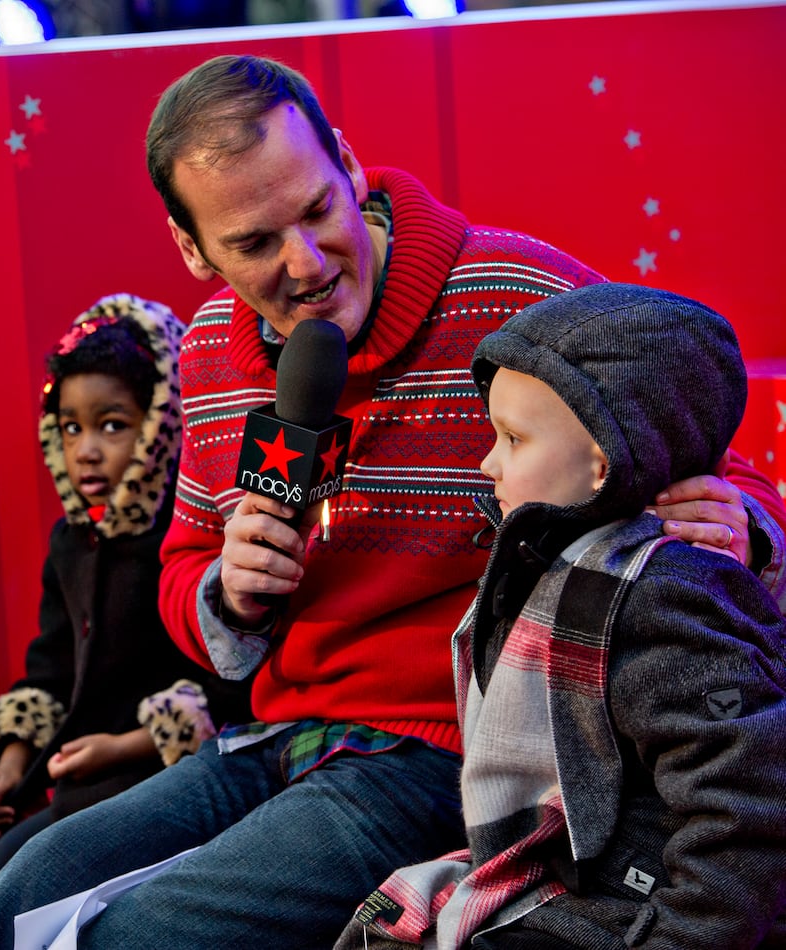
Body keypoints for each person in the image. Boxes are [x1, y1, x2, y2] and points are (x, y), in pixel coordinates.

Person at [0, 57, 786, 950]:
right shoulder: (210, 357)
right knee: (13, 898)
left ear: (346, 163)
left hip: (450, 758)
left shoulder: (519, 296)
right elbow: (183, 575)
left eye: (316, 211)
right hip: (277, 735)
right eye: (255, 243)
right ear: (193, 250)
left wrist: (744, 528)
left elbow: (735, 483)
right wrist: (228, 591)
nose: (304, 263)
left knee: (142, 933)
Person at [333, 282, 786, 949]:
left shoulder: (666, 593)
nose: (488, 462)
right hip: (564, 867)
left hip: (640, 905)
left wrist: (682, 937)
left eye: (513, 439)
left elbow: (742, 803)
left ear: (603, 462)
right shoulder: (552, 561)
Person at [0, 294, 252, 948]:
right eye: (69, 428)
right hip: (63, 759)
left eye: (112, 425)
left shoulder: (188, 537)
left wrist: (124, 747)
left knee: (6, 882)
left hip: (149, 768)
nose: (86, 451)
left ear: (158, 427)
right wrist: (6, 767)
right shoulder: (71, 542)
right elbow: (50, 670)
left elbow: (231, 687)